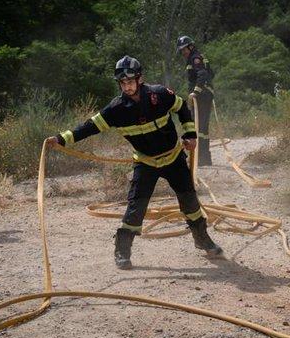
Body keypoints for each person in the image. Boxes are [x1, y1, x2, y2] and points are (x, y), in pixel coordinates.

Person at [46, 56, 222, 270]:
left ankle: (202, 239)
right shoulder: (115, 110)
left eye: (131, 81)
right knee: (136, 208)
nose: (127, 86)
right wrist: (61, 138)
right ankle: (122, 250)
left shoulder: (160, 94)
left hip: (173, 159)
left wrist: (190, 134)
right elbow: (88, 127)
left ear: (140, 79)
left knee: (190, 203)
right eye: (123, 83)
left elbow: (182, 107)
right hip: (146, 164)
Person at [175, 36, 215, 166]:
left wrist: (195, 92)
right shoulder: (195, 57)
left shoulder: (195, 58)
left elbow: (202, 74)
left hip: (202, 96)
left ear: (190, 47)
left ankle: (200, 159)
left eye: (184, 50)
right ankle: (204, 159)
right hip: (204, 95)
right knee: (201, 128)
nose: (183, 53)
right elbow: (211, 73)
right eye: (181, 51)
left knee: (198, 127)